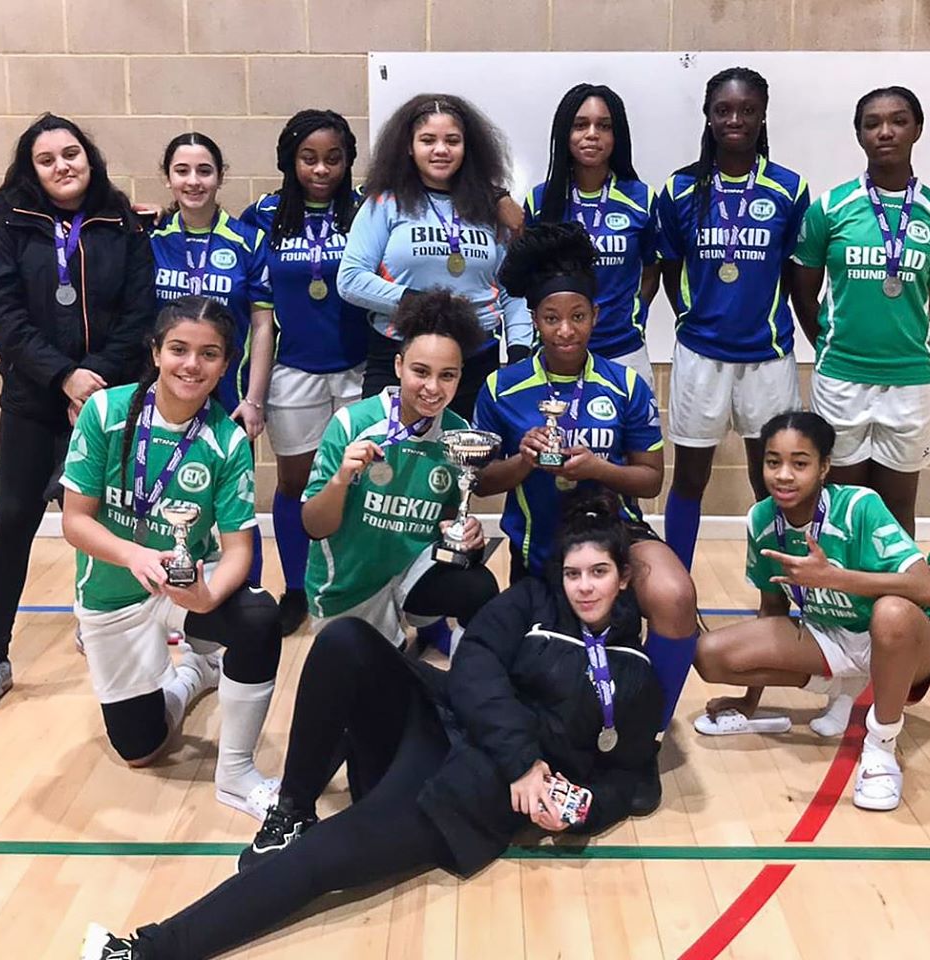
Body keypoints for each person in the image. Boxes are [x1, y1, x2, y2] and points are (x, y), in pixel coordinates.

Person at [80, 496, 664, 960]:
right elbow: (474, 667)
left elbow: (636, 778)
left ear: (622, 579)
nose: (584, 586)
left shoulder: (637, 676)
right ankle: (292, 808)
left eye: (599, 573)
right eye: (574, 573)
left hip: (465, 795)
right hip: (437, 723)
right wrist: (523, 759)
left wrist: (585, 805)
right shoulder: (531, 603)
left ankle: (146, 952)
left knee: (317, 865)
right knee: (345, 641)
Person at [61, 296, 282, 819]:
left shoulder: (227, 441)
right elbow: (75, 521)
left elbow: (239, 552)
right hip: (112, 592)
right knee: (141, 751)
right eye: (179, 349)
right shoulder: (106, 412)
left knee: (257, 617)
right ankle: (191, 678)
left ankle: (235, 773)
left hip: (183, 587)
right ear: (156, 351)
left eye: (209, 354)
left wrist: (206, 595)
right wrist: (135, 555)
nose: (192, 365)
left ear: (226, 364)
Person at [473, 222, 698, 729]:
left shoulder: (625, 385)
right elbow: (483, 481)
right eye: (552, 318)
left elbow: (650, 480)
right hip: (540, 547)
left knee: (676, 595)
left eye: (577, 316)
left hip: (617, 536)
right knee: (551, 689)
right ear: (534, 320)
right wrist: (523, 461)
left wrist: (599, 468)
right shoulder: (501, 388)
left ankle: (651, 729)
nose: (566, 330)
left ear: (595, 316)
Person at [0, 113, 154, 715]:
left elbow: (141, 312)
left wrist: (97, 379)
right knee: (11, 522)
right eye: (48, 158)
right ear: (30, 169)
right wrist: (62, 374)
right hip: (35, 400)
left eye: (72, 154)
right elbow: (1, 313)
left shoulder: (122, 221)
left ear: (90, 156)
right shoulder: (4, 219)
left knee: (106, 521)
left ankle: (109, 625)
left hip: (108, 402)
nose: (63, 166)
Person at [694, 411, 930, 812]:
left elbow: (927, 590)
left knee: (891, 614)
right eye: (773, 462)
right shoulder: (761, 519)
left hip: (906, 640)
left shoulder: (860, 506)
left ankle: (880, 747)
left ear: (824, 466)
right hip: (830, 635)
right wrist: (749, 700)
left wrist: (833, 577)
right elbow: (771, 609)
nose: (784, 475)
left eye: (800, 463)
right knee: (710, 654)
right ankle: (844, 686)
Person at [658, 67, 810, 573]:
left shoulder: (790, 189)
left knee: (771, 476)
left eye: (747, 109)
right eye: (723, 110)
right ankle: (677, 584)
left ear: (763, 114)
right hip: (701, 353)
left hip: (767, 355)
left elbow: (792, 271)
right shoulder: (680, 189)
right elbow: (670, 266)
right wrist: (693, 318)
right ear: (708, 116)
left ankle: (778, 582)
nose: (735, 119)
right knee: (690, 477)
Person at [300, 287, 499, 651]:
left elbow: (450, 515)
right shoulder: (352, 424)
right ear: (398, 366)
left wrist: (464, 532)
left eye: (447, 376)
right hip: (347, 586)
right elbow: (314, 526)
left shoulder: (459, 435)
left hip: (412, 574)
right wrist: (341, 480)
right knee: (367, 687)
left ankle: (468, 683)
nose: (432, 388)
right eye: (420, 372)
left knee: (479, 586)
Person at [792, 86, 930, 538]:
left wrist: (909, 345)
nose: (885, 132)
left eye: (898, 121)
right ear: (858, 134)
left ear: (917, 129)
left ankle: (895, 607)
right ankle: (838, 607)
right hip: (841, 376)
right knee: (840, 505)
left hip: (911, 380)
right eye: (872, 123)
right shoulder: (831, 208)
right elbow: (804, 292)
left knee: (897, 511)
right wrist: (827, 344)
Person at [241, 110, 366, 635]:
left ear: (348, 160)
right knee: (295, 482)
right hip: (293, 371)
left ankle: (357, 583)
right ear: (290, 160)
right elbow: (259, 314)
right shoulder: (262, 215)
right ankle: (295, 586)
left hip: (360, 367)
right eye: (309, 158)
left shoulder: (365, 211)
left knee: (358, 480)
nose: (322, 169)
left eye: (333, 159)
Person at [337, 93, 533, 419]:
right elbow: (351, 280)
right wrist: (423, 305)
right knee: (388, 467)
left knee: (472, 466)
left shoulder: (491, 209)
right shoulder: (384, 203)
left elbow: (513, 289)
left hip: (477, 361)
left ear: (467, 147)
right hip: (400, 356)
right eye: (428, 140)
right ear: (409, 147)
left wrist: (519, 353)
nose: (441, 150)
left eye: (452, 140)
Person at [148, 132, 274, 585]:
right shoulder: (151, 237)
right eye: (182, 170)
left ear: (221, 177)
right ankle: (168, 595)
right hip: (165, 394)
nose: (193, 180)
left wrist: (254, 399)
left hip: (229, 394)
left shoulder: (248, 240)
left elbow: (263, 326)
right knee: (163, 496)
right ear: (167, 178)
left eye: (204, 170)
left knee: (235, 508)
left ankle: (248, 597)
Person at [524, 83, 660, 390]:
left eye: (604, 126)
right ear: (564, 133)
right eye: (580, 125)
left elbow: (652, 271)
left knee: (633, 438)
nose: (592, 134)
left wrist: (633, 316)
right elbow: (528, 275)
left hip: (623, 350)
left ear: (617, 135)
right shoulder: (541, 201)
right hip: (556, 351)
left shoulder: (642, 199)